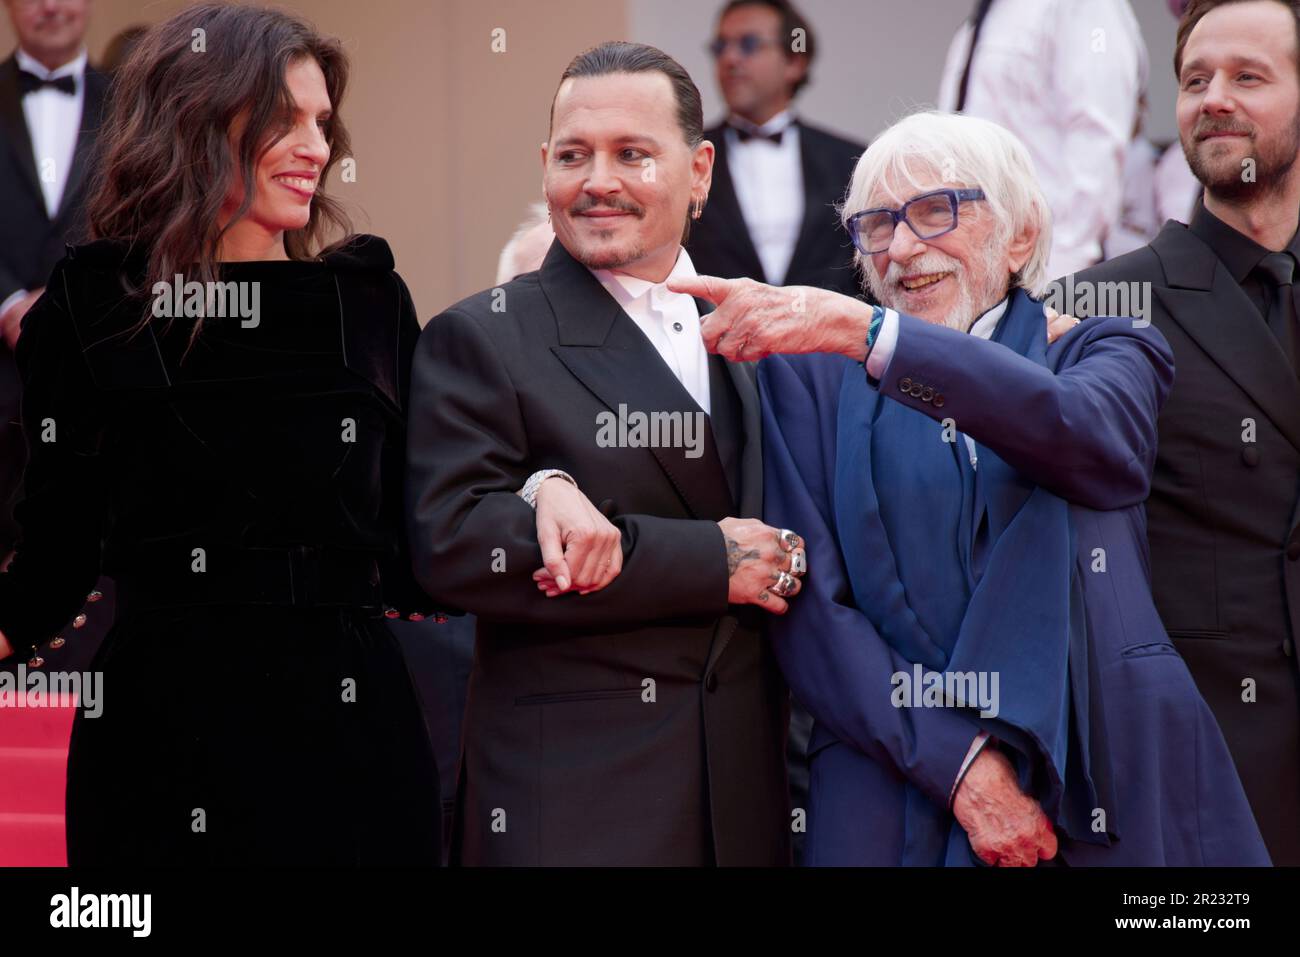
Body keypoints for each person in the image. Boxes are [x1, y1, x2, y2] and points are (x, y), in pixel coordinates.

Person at [670, 110, 1269, 865]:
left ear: (1020, 235)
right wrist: (958, 763)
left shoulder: (1101, 346)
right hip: (892, 777)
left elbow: (1084, 439)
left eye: (935, 211)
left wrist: (876, 338)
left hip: (1104, 769)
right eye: (877, 224)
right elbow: (813, 610)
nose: (902, 247)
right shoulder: (812, 380)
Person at [0, 3, 447, 865]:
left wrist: (550, 493)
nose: (317, 145)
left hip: (355, 733)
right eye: (286, 118)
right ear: (197, 118)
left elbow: (434, 518)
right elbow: (52, 561)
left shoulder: (367, 302)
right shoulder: (92, 312)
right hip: (160, 735)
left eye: (324, 121)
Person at [407, 41, 799, 866]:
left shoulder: (757, 330)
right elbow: (452, 544)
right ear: (544, 165)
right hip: (574, 802)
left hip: (747, 796)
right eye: (575, 156)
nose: (598, 182)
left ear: (699, 171)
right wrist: (706, 559)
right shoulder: (486, 333)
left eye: (632, 155)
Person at [1067, 0, 1300, 864]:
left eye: (1248, 76)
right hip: (1196, 782)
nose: (1213, 99)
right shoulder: (1098, 303)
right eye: (1195, 80)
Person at [0, 0, 111, 676]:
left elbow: (147, 219)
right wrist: (9, 299)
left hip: (94, 384)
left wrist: (65, 303)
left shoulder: (136, 107)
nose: (50, 4)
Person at [938, 0, 1144, 277]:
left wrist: (1057, 278)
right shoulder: (980, 22)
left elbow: (1097, 139)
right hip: (978, 264)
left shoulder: (1083, 6)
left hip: (1043, 267)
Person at [686, 0, 864, 299]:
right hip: (712, 338)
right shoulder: (687, 159)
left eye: (749, 44)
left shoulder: (852, 161)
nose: (729, 58)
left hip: (825, 340)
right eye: (720, 47)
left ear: (795, 62)